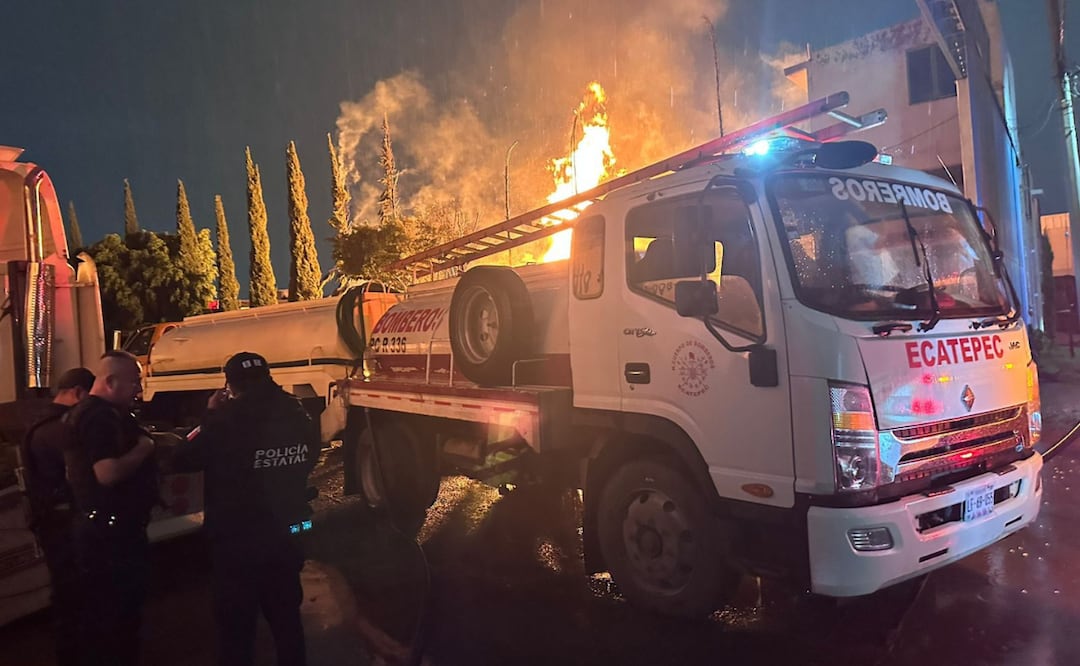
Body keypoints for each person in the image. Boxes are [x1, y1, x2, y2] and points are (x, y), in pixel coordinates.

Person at [171, 351, 317, 666]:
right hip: (287, 534)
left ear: (230, 386)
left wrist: (209, 414)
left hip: (238, 542)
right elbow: (310, 455)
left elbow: (182, 456)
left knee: (236, 629)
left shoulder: (225, 420)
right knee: (287, 622)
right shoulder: (297, 411)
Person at [65, 350, 157, 666]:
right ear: (110, 381)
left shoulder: (95, 414)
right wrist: (144, 449)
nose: (139, 389)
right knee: (115, 619)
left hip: (104, 529)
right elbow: (107, 473)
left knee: (107, 617)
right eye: (134, 382)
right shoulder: (98, 417)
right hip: (110, 535)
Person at [19, 367, 95, 666]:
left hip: (52, 520)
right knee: (72, 596)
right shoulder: (62, 429)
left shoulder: (40, 424)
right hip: (63, 523)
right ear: (78, 392)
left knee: (67, 593)